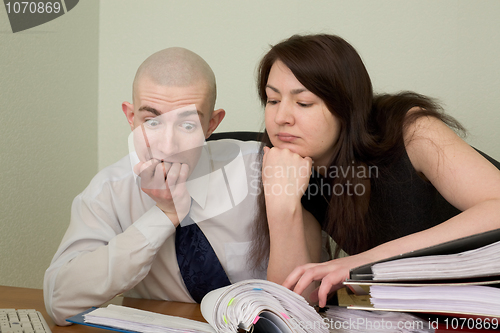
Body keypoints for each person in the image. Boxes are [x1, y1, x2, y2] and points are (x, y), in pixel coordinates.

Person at [44, 47, 308, 326]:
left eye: (187, 125)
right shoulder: (109, 190)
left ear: (212, 124)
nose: (167, 147)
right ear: (130, 117)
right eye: (152, 121)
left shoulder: (263, 169)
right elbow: (60, 302)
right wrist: (164, 215)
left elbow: (301, 310)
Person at [250, 34, 500, 308]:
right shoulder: (294, 168)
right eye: (272, 100)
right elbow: (295, 302)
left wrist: (366, 261)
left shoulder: (410, 130)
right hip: (446, 307)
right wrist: (281, 205)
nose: (280, 118)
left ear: (346, 108)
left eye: (304, 102)